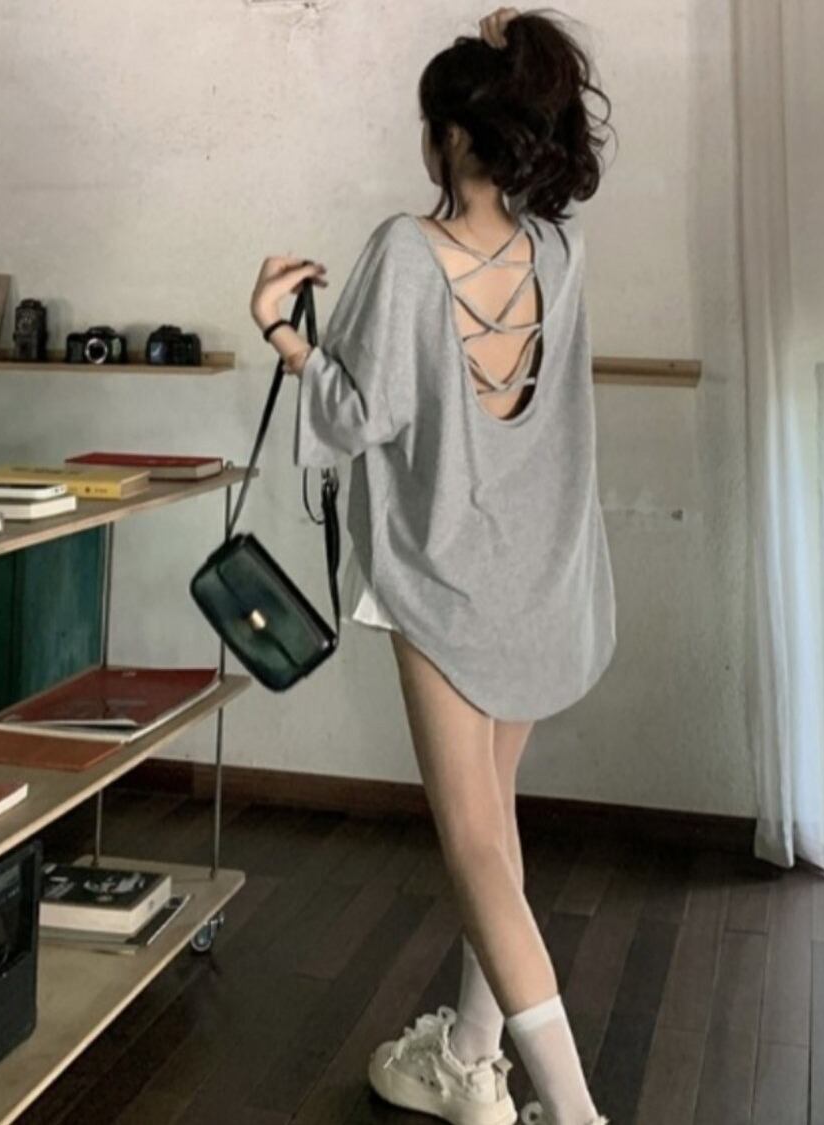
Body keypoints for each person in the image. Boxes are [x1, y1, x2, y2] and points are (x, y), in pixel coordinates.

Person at [249, 8, 617, 1123]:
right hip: (545, 576)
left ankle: (575, 1113)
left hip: (446, 582)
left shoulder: (406, 251)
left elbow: (357, 415)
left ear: (450, 135)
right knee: (494, 831)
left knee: (472, 849)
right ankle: (468, 1058)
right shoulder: (560, 251)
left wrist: (281, 332)